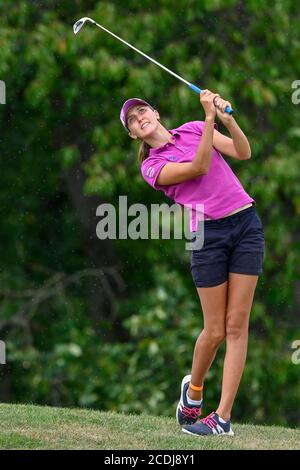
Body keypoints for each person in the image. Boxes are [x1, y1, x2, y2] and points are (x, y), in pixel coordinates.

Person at [119, 91, 265, 436]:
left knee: (237, 326)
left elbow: (243, 152)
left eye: (142, 111)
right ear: (134, 135)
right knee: (214, 331)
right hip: (207, 237)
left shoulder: (195, 127)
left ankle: (223, 418)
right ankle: (193, 393)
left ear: (155, 111)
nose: (140, 118)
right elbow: (199, 167)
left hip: (245, 223)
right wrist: (211, 118)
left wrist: (226, 119)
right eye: (133, 121)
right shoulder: (151, 166)